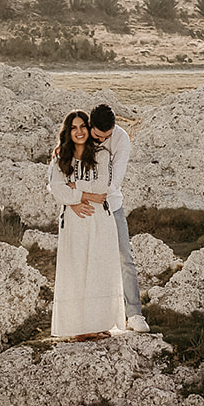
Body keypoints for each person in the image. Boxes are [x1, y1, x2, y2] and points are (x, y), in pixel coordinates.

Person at [48, 109, 125, 339]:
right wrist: (83, 196)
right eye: (74, 128)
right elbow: (57, 190)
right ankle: (77, 329)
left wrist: (74, 188)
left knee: (99, 271)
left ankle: (97, 323)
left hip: (100, 219)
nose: (79, 132)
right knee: (76, 270)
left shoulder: (100, 155)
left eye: (83, 126)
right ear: (68, 132)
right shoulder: (61, 156)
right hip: (75, 220)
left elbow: (102, 186)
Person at [89, 103, 149, 331]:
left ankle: (134, 314)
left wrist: (94, 193)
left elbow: (116, 179)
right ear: (90, 126)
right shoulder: (82, 133)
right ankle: (94, 316)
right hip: (83, 207)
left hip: (112, 205)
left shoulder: (121, 138)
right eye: (98, 136)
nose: (102, 140)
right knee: (91, 260)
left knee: (125, 257)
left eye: (107, 136)